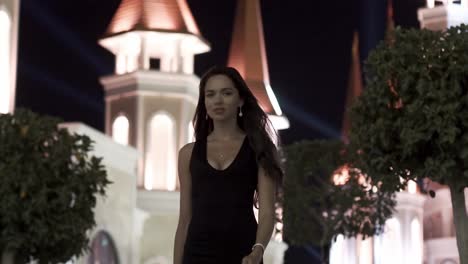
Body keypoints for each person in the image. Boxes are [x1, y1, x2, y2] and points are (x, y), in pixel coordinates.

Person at [173, 66, 284, 264]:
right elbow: (184, 219)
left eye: (226, 93)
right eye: (210, 94)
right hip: (196, 254)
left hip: (244, 254)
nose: (218, 100)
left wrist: (257, 251)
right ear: (204, 101)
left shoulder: (260, 149)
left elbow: (267, 213)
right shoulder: (188, 154)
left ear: (240, 99)